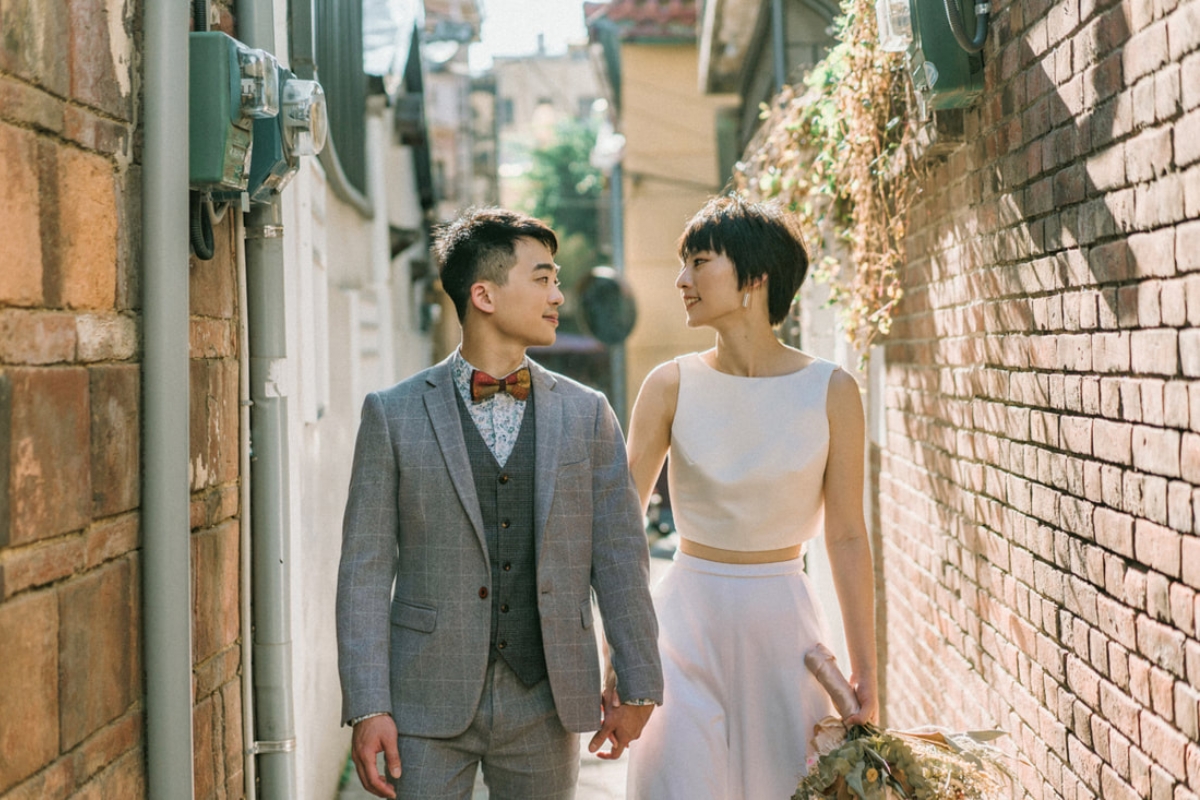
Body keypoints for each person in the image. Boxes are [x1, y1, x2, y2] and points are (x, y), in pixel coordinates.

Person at [336, 208, 663, 800]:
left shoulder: (587, 414)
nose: (558, 295)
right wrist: (367, 705)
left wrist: (638, 683)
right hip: (425, 697)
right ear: (483, 294)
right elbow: (363, 572)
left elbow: (619, 557)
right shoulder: (393, 415)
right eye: (542, 278)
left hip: (547, 694)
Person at [620, 195, 879, 799]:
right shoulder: (669, 386)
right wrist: (619, 650)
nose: (682, 280)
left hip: (784, 628)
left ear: (755, 277)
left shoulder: (832, 390)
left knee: (783, 787)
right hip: (683, 623)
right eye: (683, 264)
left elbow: (845, 534)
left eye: (700, 262)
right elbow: (620, 528)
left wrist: (865, 671)